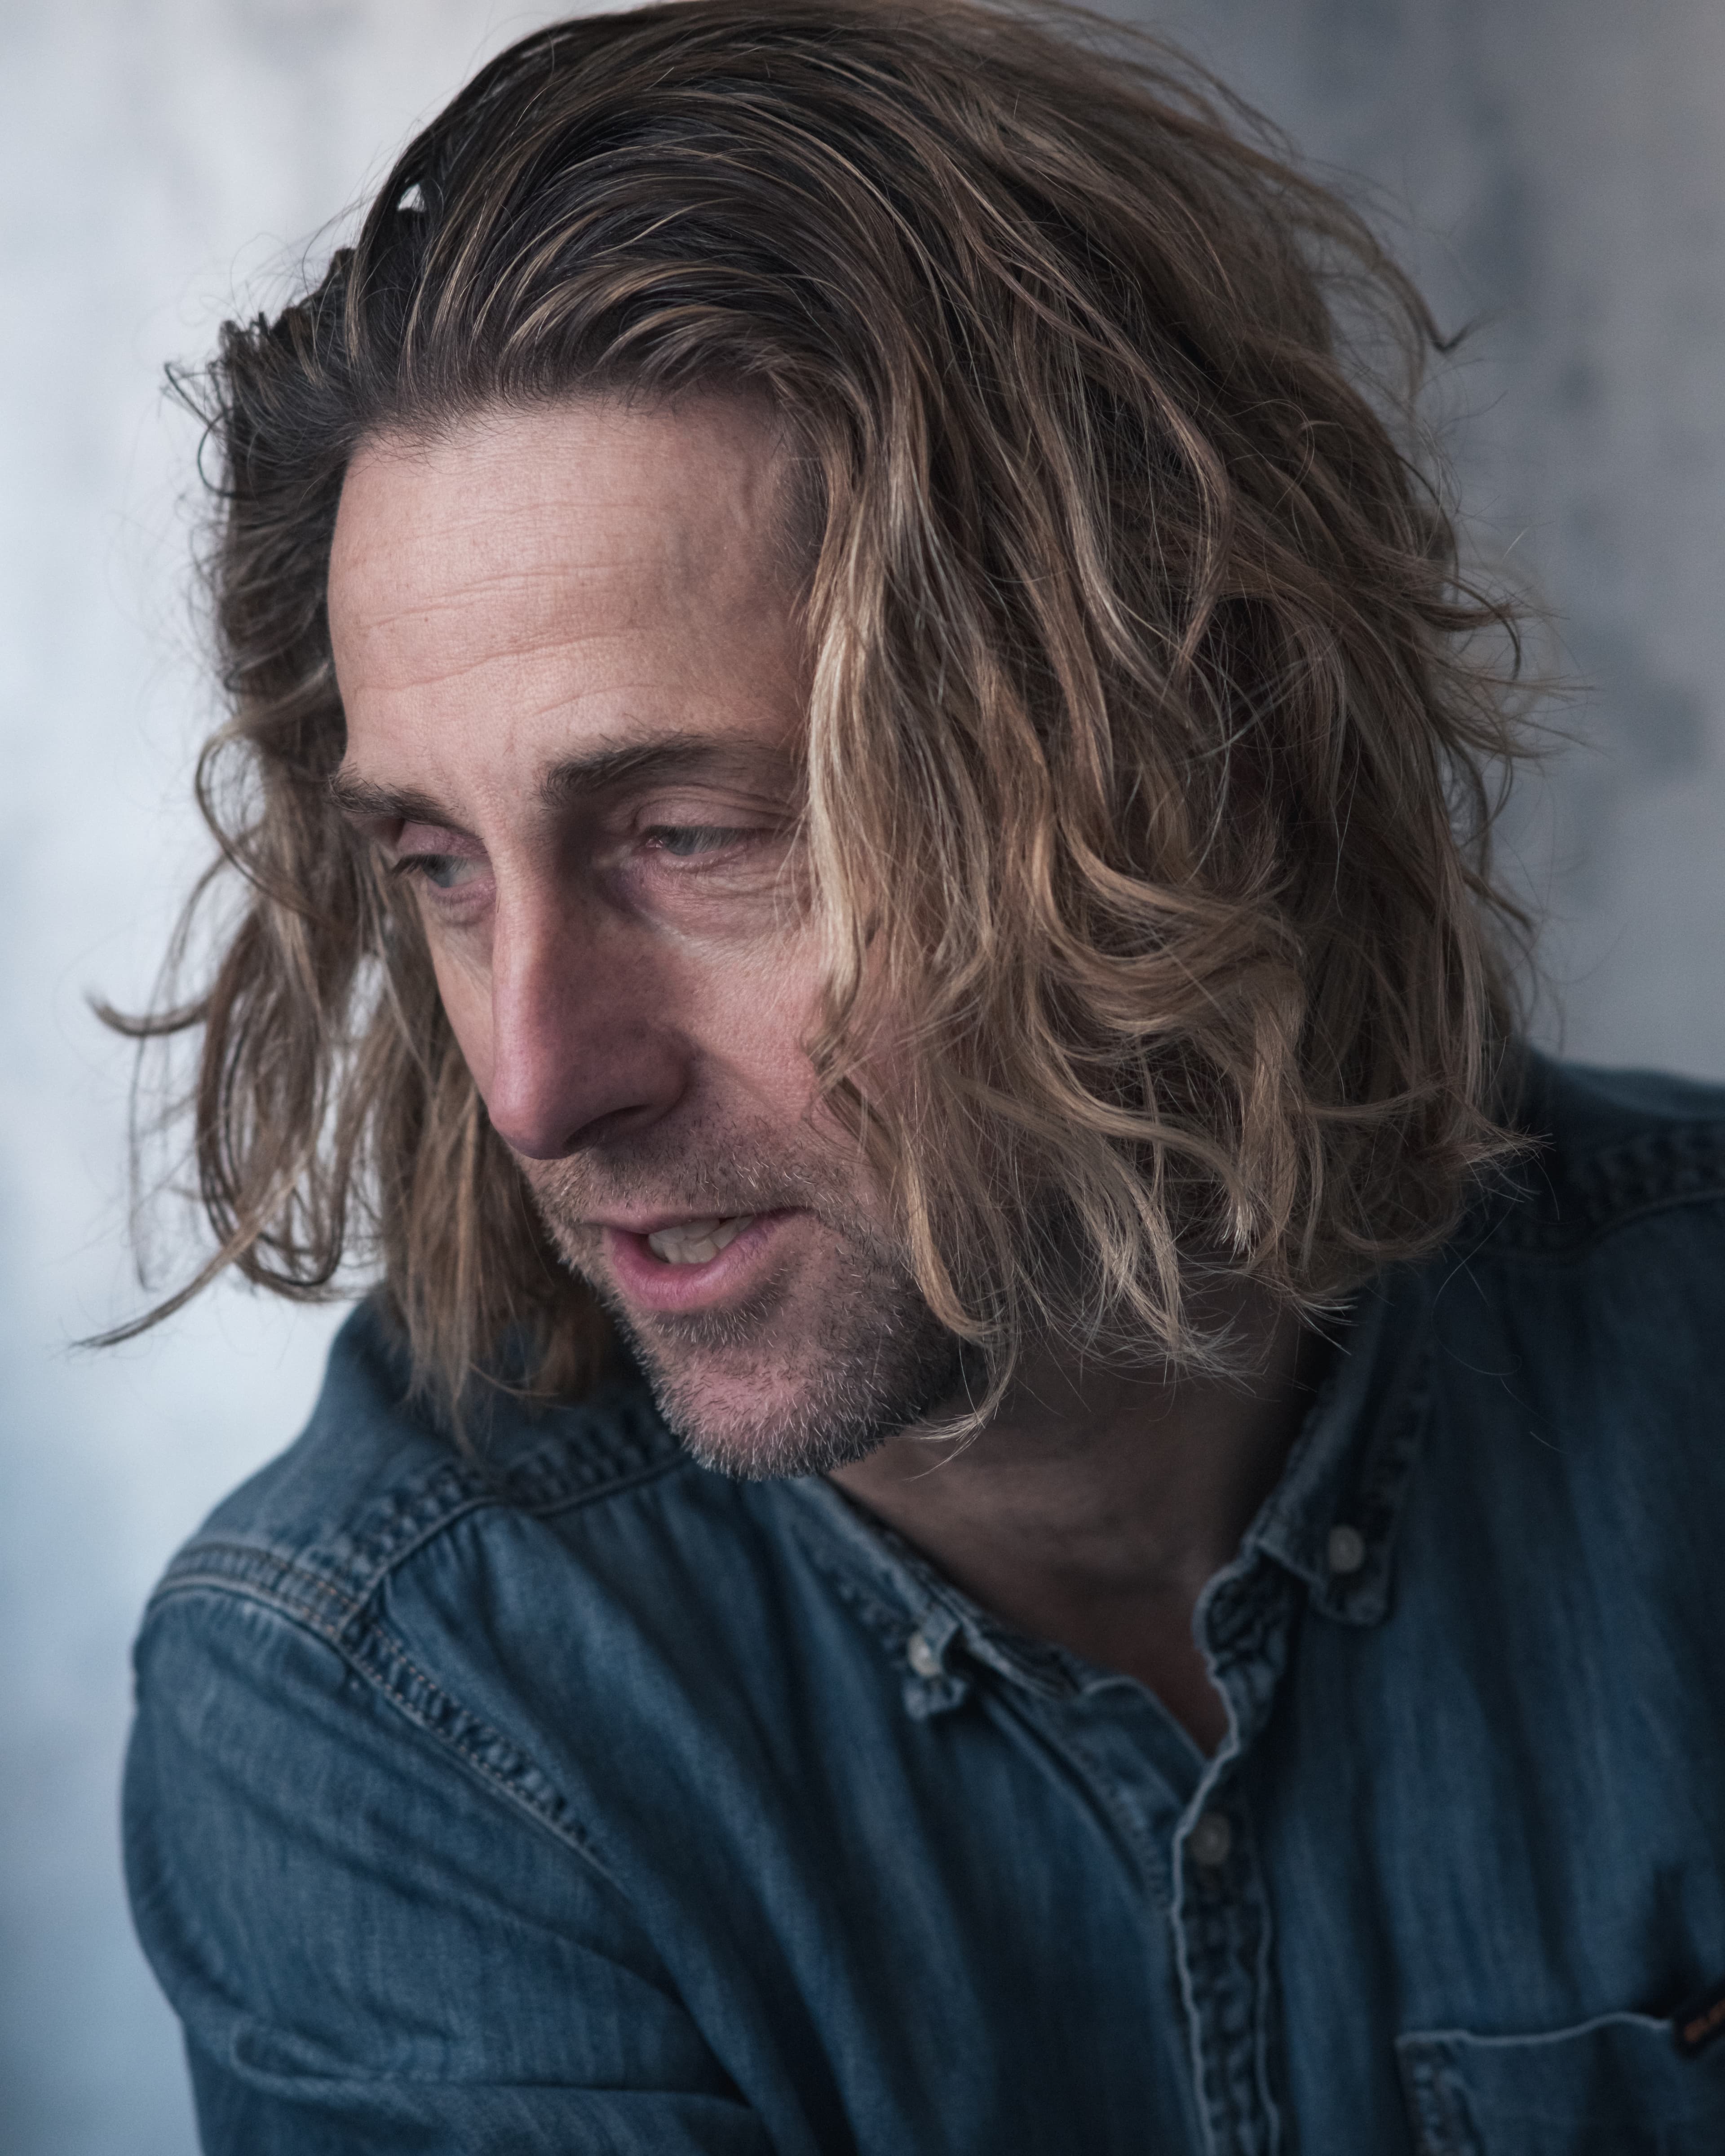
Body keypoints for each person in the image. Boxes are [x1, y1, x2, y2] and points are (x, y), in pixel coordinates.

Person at [115, 2, 1725, 2149]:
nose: (534, 1082)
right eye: (442, 865)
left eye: (694, 837)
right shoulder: (385, 1700)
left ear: (1179, 753)